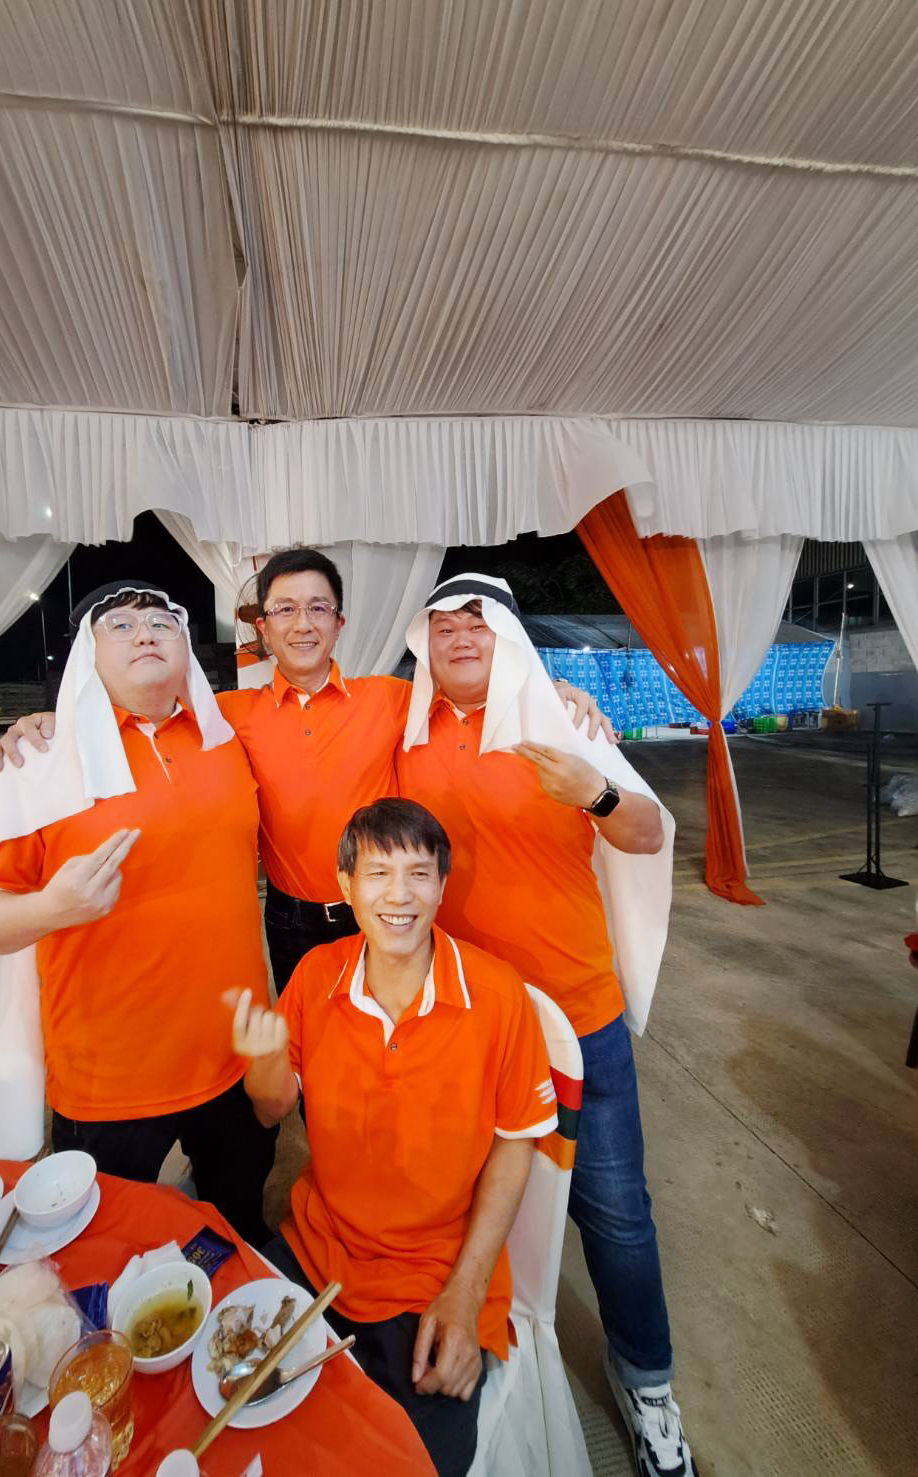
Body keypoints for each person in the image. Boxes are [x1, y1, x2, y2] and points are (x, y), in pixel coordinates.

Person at [0, 548, 613, 994]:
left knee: (395, 1041)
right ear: (263, 629)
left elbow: (474, 687)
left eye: (318, 608)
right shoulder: (226, 716)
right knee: (311, 1052)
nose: (302, 623)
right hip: (288, 919)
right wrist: (49, 718)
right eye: (284, 610)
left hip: (384, 910)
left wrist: (556, 694)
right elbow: (136, 703)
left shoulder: (393, 699)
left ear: (339, 623)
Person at [396, 573, 694, 1477]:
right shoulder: (405, 730)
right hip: (467, 1017)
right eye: (442, 626)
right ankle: (488, 1336)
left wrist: (595, 789)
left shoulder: (562, 723)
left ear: (509, 638)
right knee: (466, 1192)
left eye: (477, 623)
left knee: (615, 1209)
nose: (459, 638)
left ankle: (647, 1383)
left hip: (577, 1011)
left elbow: (649, 832)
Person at [0, 582, 275, 1246]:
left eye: (162, 622)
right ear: (86, 657)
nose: (145, 632)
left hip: (232, 1053)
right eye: (119, 625)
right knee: (105, 1253)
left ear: (186, 646)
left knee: (237, 1229)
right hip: (109, 1077)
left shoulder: (226, 740)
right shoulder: (39, 762)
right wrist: (50, 907)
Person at [233, 798, 557, 1477]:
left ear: (442, 884)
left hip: (435, 1273)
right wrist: (263, 1061)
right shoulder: (315, 976)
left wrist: (466, 1294)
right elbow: (270, 1111)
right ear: (345, 885)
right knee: (232, 1406)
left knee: (414, 1460)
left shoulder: (499, 996)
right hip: (316, 1249)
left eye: (418, 874)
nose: (399, 895)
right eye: (378, 873)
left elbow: (515, 1144)